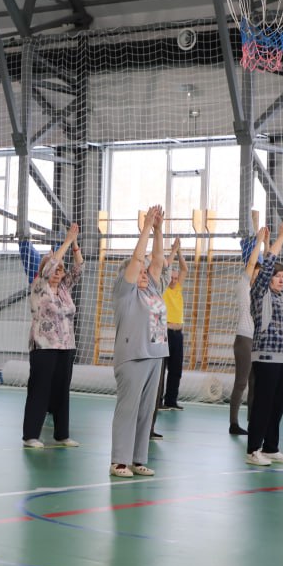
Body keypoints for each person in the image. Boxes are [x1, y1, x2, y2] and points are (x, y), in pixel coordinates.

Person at [109, 204, 168, 479]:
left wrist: (158, 230)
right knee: (128, 409)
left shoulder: (151, 289)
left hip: (155, 355)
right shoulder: (125, 292)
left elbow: (157, 260)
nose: (144, 273)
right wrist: (145, 228)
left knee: (146, 411)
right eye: (140, 272)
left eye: (145, 272)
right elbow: (136, 260)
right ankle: (118, 461)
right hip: (132, 356)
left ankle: (137, 459)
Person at [244, 217, 283, 467]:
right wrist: (278, 238)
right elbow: (267, 263)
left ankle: (270, 447)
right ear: (268, 278)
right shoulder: (260, 292)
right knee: (263, 404)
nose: (281, 279)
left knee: (278, 405)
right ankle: (253, 449)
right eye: (277, 276)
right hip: (266, 357)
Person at [23, 222, 84, 449]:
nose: (58, 273)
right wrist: (66, 241)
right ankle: (31, 435)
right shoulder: (39, 286)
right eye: (55, 270)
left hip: (65, 346)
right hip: (44, 346)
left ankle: (62, 434)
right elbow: (49, 268)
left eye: (61, 270)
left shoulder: (64, 289)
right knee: (40, 389)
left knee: (61, 390)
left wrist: (74, 243)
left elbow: (79, 268)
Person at [229, 224, 265, 436]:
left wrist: (266, 243)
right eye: (255, 273)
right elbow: (252, 263)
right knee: (241, 382)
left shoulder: (259, 291)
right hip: (244, 339)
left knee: (254, 383)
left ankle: (252, 422)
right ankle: (233, 423)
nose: (257, 276)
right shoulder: (243, 286)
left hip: (256, 340)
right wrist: (259, 241)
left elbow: (263, 265)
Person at [158, 237, 189, 411]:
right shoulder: (163, 289)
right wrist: (173, 251)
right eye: (172, 277)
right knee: (161, 369)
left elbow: (184, 268)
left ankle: (171, 400)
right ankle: (158, 401)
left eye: (176, 278)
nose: (174, 280)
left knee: (176, 369)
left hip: (178, 334)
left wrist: (179, 251)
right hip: (165, 332)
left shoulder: (178, 288)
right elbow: (166, 267)